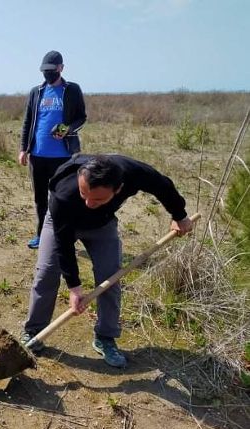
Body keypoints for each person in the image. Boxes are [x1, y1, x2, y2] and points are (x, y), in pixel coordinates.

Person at [21, 154, 194, 367]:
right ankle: (34, 331)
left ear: (118, 189)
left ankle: (105, 337)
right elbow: (63, 244)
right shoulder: (64, 192)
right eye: (84, 194)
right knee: (47, 271)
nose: (89, 203)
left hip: (102, 225)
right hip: (63, 222)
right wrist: (74, 288)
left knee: (110, 276)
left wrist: (180, 215)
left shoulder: (133, 173)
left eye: (98, 199)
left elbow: (162, 185)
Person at [19, 51, 87, 250]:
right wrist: (23, 149)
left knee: (63, 198)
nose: (47, 74)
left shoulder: (72, 90)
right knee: (40, 199)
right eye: (44, 71)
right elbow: (27, 122)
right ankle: (41, 234)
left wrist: (67, 129)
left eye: (51, 70)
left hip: (64, 156)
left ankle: (66, 235)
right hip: (38, 156)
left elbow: (81, 117)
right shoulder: (36, 92)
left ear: (61, 68)